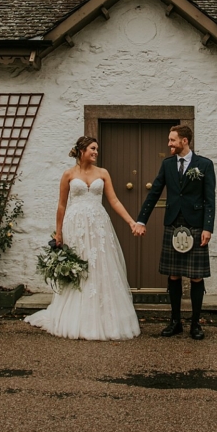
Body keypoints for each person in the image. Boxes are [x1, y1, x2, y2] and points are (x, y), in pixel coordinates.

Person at [25, 136, 141, 340]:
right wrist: (58, 232)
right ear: (81, 150)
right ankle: (75, 316)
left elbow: (113, 200)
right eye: (92, 148)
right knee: (79, 268)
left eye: (97, 149)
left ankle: (105, 319)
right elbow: (61, 205)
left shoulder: (103, 173)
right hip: (75, 226)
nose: (96, 152)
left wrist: (131, 222)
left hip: (98, 226)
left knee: (100, 266)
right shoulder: (68, 174)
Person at [133, 124, 215, 340]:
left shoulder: (204, 164)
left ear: (184, 141)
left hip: (196, 224)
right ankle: (175, 321)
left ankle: (195, 324)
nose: (169, 143)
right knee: (173, 274)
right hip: (173, 223)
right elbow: (154, 193)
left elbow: (210, 200)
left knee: (196, 276)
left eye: (172, 140)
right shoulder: (167, 164)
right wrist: (141, 220)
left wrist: (208, 227)